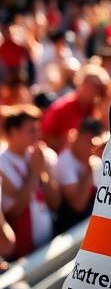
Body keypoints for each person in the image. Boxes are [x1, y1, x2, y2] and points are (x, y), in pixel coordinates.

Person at [0, 106, 61, 258]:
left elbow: (55, 203)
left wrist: (42, 172)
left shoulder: (40, 155)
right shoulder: (2, 163)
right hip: (22, 252)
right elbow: (15, 211)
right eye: (31, 130)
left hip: (47, 243)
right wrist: (34, 173)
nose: (38, 135)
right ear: (14, 131)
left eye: (38, 129)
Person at [39, 64, 110, 152]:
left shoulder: (98, 110)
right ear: (81, 84)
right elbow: (43, 138)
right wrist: (66, 144)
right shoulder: (61, 108)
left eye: (100, 88)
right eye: (94, 86)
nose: (97, 92)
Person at [53, 117, 104, 233]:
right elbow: (78, 205)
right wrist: (90, 169)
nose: (91, 148)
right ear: (77, 136)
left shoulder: (95, 160)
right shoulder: (64, 162)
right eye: (88, 142)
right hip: (69, 231)